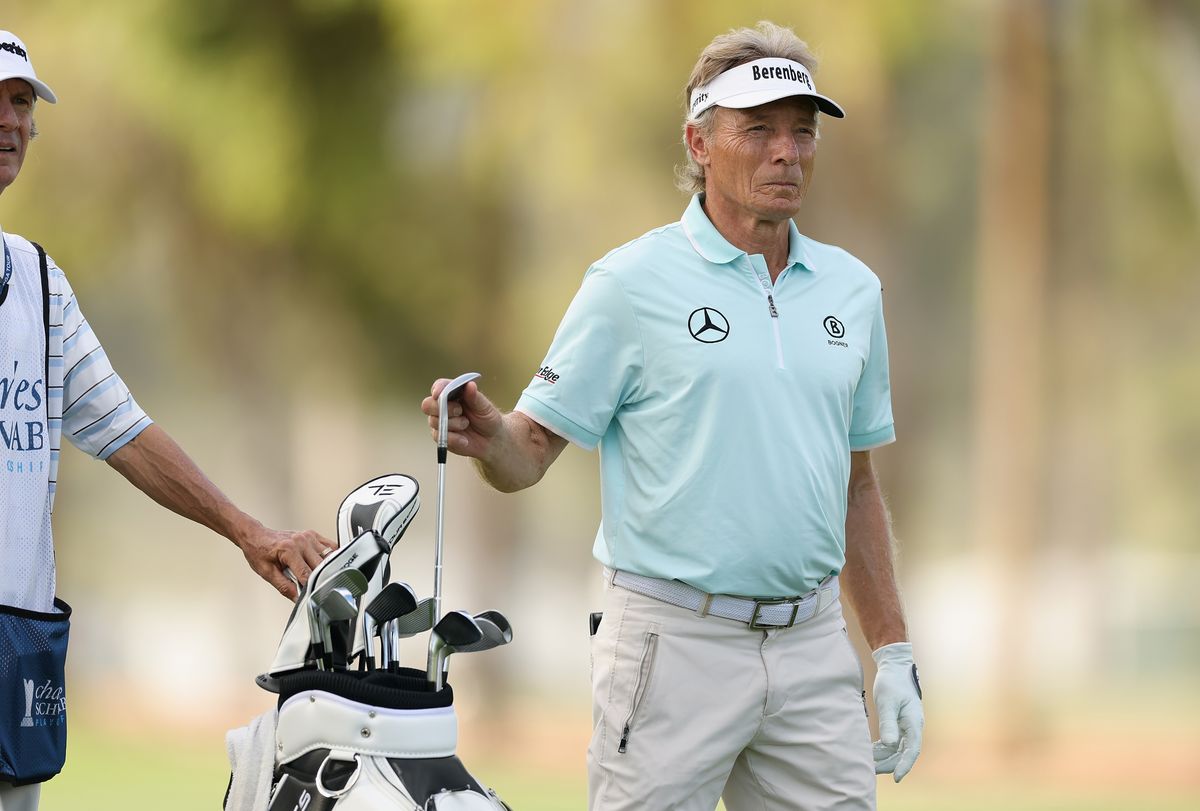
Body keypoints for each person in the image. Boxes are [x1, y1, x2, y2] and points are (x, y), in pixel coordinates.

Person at [423, 20, 923, 811]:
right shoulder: (630, 282)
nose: (787, 152)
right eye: (758, 131)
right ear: (698, 142)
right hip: (671, 645)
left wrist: (892, 651)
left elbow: (857, 485)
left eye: (802, 131)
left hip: (811, 647)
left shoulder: (852, 292)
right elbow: (532, 450)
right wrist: (491, 439)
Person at [0, 30, 334, 809]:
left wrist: (249, 530)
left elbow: (125, 430)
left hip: (12, 664)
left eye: (21, 103)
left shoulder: (39, 287)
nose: (10, 122)